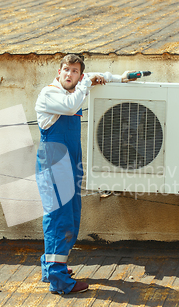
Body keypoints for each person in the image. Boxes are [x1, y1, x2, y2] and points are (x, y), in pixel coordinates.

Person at [35, 54, 136, 294]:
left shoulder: (77, 87)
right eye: (66, 70)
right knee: (59, 218)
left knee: (70, 214)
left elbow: (93, 77)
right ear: (59, 72)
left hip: (70, 161)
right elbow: (72, 105)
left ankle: (52, 266)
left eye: (75, 71)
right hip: (54, 161)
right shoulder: (50, 94)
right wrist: (87, 83)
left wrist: (119, 78)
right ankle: (59, 280)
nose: (70, 74)